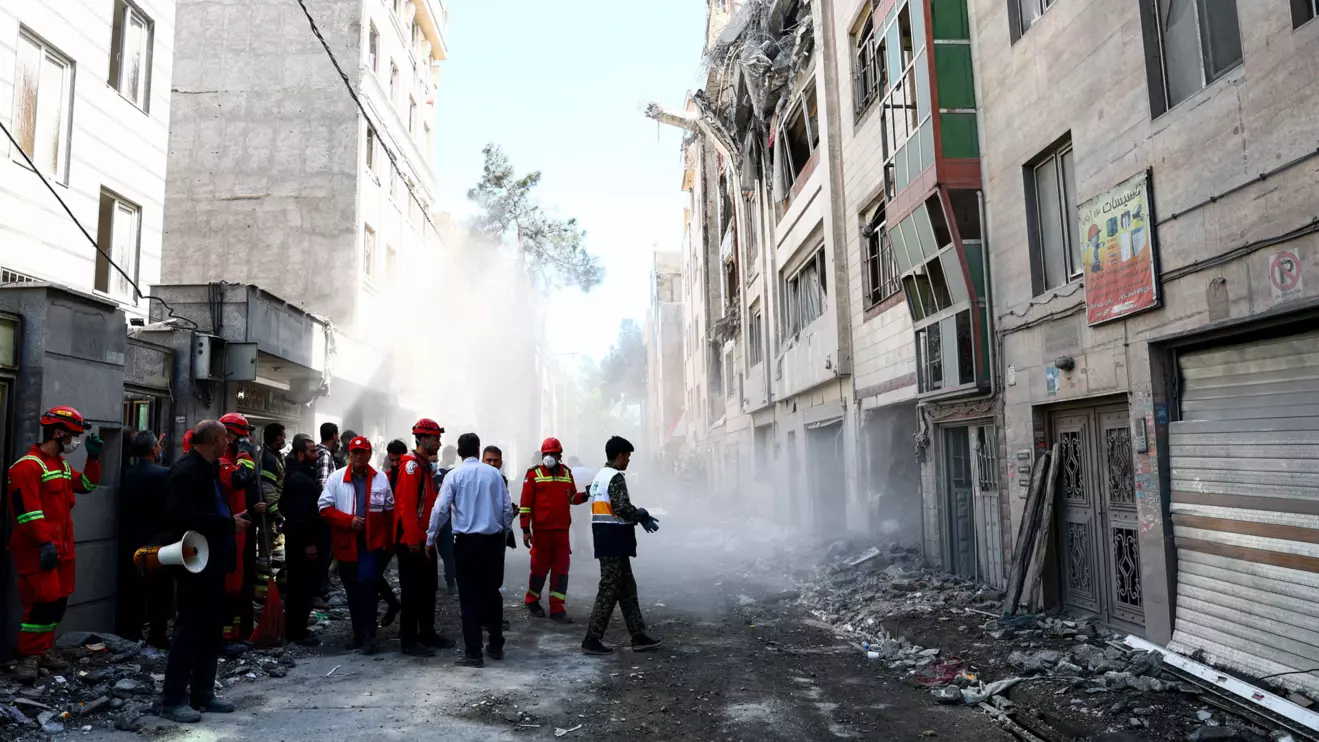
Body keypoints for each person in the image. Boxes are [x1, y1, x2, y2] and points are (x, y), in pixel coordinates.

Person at [160, 420, 249, 723]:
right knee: (190, 628)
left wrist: (228, 520)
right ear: (214, 439)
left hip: (213, 560)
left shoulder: (207, 468)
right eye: (226, 439)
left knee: (211, 628)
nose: (229, 444)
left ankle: (203, 693)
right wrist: (227, 524)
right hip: (195, 561)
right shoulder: (187, 471)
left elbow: (209, 510)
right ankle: (173, 700)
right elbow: (182, 516)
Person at [8, 406, 103, 683]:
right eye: (73, 436)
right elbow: (27, 511)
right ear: (58, 433)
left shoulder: (59, 466)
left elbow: (86, 485)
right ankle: (29, 655)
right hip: (38, 549)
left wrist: (94, 459)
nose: (75, 442)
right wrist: (44, 543)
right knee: (40, 604)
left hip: (62, 549)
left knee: (57, 603)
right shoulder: (27, 466)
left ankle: (43, 649)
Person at [426, 433, 513, 668]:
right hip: (492, 542)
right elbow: (507, 510)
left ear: (459, 453)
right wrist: (503, 533)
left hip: (467, 545)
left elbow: (440, 509)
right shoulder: (495, 475)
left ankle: (474, 652)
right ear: (478, 449)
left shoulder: (454, 476)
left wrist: (430, 538)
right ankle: (496, 646)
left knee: (469, 598)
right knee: (492, 593)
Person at [582, 436, 663, 656]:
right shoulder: (615, 477)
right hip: (614, 539)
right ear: (619, 456)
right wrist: (641, 514)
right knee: (609, 589)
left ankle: (638, 636)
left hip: (605, 537)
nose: (628, 461)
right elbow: (621, 508)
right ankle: (592, 639)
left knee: (627, 589)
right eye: (627, 456)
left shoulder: (600, 476)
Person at [318, 436, 393, 655]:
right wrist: (347, 520)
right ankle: (358, 633)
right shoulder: (336, 478)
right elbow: (324, 507)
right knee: (352, 589)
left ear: (370, 454)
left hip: (372, 541)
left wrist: (389, 542)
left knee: (368, 583)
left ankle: (369, 634)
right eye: (354, 453)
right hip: (346, 542)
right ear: (349, 455)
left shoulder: (380, 479)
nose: (358, 456)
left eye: (363, 452)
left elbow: (389, 510)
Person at [392, 419, 454, 656]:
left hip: (424, 539)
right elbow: (407, 508)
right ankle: (409, 641)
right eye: (436, 438)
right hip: (412, 541)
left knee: (428, 589)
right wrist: (413, 542)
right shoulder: (412, 467)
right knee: (412, 591)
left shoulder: (423, 465)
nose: (439, 443)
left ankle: (427, 634)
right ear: (423, 439)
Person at [520, 437, 587, 623]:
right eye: (547, 454)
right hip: (542, 532)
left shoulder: (566, 473)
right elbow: (525, 504)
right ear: (542, 455)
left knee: (561, 570)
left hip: (561, 533)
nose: (550, 457)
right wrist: (525, 529)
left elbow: (572, 498)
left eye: (553, 454)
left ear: (559, 455)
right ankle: (532, 600)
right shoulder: (533, 474)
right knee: (539, 569)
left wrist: (585, 495)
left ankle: (557, 608)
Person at [117, 430, 173, 648]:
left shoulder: (126, 473)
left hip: (131, 540)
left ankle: (131, 634)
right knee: (160, 591)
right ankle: (157, 635)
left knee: (134, 590)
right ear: (154, 450)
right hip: (158, 541)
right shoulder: (164, 474)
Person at [218, 413, 262, 644]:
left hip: (240, 529)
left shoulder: (234, 458)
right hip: (227, 530)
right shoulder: (222, 461)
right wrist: (245, 454)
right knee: (227, 584)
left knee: (238, 584)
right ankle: (224, 637)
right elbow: (239, 479)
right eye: (243, 437)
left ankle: (234, 633)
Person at [282, 434, 327, 647]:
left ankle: (297, 629)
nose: (316, 455)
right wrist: (309, 543)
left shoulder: (299, 474)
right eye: (312, 452)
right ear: (300, 454)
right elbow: (301, 516)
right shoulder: (300, 480)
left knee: (301, 588)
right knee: (301, 588)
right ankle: (296, 631)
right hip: (301, 543)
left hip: (297, 540)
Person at [375, 439, 410, 628]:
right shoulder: (385, 477)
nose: (395, 464)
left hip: (406, 533)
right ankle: (393, 604)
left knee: (409, 580)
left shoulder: (411, 475)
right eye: (392, 460)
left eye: (398, 460)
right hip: (389, 534)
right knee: (374, 573)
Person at [483, 445, 515, 634]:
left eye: (495, 460)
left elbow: (503, 508)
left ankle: (492, 620)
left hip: (496, 536)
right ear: (482, 460)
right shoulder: (475, 477)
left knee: (493, 582)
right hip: (479, 536)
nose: (493, 464)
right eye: (489, 460)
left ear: (501, 462)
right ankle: (486, 619)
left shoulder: (502, 479)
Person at [254, 423, 287, 604]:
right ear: (277, 438)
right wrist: (277, 514)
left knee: (279, 556)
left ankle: (279, 594)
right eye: (283, 435)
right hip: (271, 518)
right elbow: (267, 489)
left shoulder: (276, 456)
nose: (285, 439)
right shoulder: (268, 458)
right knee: (267, 558)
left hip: (276, 515)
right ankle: (262, 598)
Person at [429, 452, 457, 595]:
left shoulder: (445, 476)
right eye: (430, 461)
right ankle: (431, 583)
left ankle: (451, 582)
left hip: (444, 523)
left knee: (448, 555)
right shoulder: (421, 476)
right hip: (426, 522)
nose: (433, 464)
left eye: (435, 461)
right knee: (429, 554)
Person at [566, 456, 594, 554]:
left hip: (575, 502)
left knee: (577, 527)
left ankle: (586, 550)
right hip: (585, 501)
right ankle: (578, 549)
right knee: (581, 525)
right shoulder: (589, 471)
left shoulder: (570, 471)